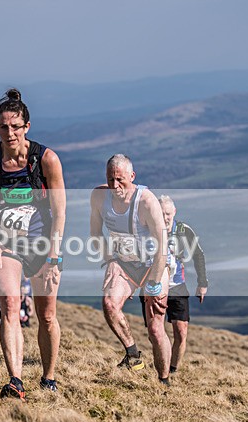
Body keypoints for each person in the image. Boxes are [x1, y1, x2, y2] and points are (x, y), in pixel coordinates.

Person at [0, 89, 66, 401]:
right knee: (10, 307)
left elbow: (60, 211)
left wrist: (54, 255)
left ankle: (49, 377)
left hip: (42, 245)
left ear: (27, 126)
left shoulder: (46, 159)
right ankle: (16, 381)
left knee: (46, 315)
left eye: (15, 126)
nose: (9, 133)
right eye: (3, 127)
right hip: (5, 245)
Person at [89, 154, 172, 386]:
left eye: (120, 180)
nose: (115, 185)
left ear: (132, 176)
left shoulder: (146, 201)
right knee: (109, 304)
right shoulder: (99, 196)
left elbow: (163, 245)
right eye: (110, 179)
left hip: (153, 265)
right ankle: (133, 355)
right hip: (124, 263)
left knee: (155, 328)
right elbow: (95, 233)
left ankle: (164, 380)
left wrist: (154, 283)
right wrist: (110, 260)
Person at [139, 195, 209, 374]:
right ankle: (162, 367)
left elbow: (198, 255)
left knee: (181, 332)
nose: (165, 217)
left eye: (168, 214)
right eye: (161, 213)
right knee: (155, 333)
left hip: (177, 286)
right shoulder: (145, 231)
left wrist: (202, 283)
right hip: (152, 288)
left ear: (174, 212)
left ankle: (172, 370)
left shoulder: (183, 230)